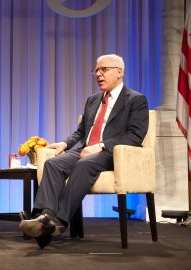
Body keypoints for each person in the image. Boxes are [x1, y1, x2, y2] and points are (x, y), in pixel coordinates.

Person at [18, 54, 149, 248]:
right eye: (96, 70)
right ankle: (44, 216)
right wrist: (64, 144)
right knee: (53, 163)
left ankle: (59, 222)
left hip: (112, 153)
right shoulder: (93, 100)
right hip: (84, 148)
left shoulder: (136, 100)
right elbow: (81, 132)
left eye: (103, 70)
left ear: (119, 72)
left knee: (84, 164)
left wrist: (102, 145)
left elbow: (135, 136)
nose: (98, 74)